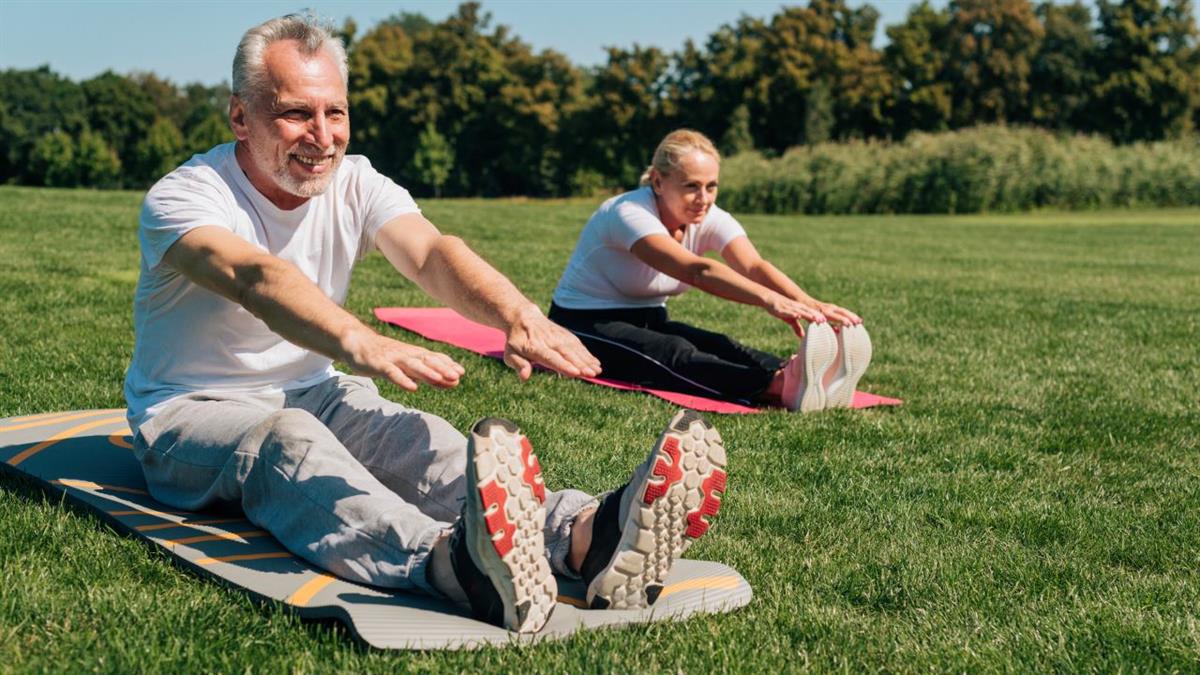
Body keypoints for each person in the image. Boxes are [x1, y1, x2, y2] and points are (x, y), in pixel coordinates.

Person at [123, 15, 728, 634]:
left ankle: (584, 538)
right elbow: (255, 277)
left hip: (317, 392)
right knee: (286, 443)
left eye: (336, 112)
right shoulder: (186, 197)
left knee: (417, 439)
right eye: (295, 113)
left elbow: (433, 252)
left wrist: (517, 315)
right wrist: (359, 340)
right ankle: (450, 562)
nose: (323, 136)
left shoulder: (355, 181)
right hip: (189, 412)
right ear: (239, 117)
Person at [548, 129, 873, 413]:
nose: (703, 199)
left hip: (648, 317)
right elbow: (697, 271)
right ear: (659, 182)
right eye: (691, 186)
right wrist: (768, 300)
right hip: (583, 324)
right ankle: (776, 386)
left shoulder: (707, 216)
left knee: (718, 343)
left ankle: (801, 375)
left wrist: (811, 304)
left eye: (711, 186)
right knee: (673, 353)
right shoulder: (628, 213)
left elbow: (753, 265)